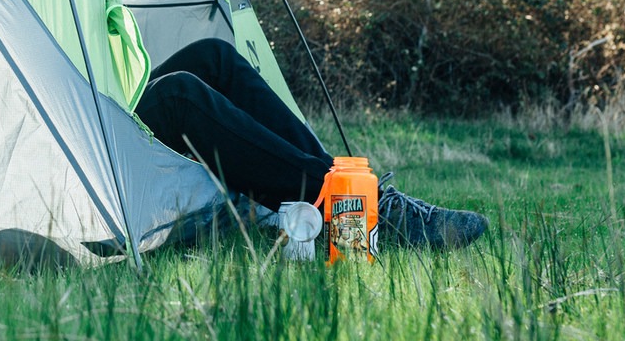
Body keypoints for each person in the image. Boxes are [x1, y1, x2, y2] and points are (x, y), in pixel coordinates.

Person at [133, 37, 488, 250]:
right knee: (177, 94)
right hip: (92, 126)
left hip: (116, 96)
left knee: (214, 56)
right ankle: (360, 210)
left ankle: (332, 194)